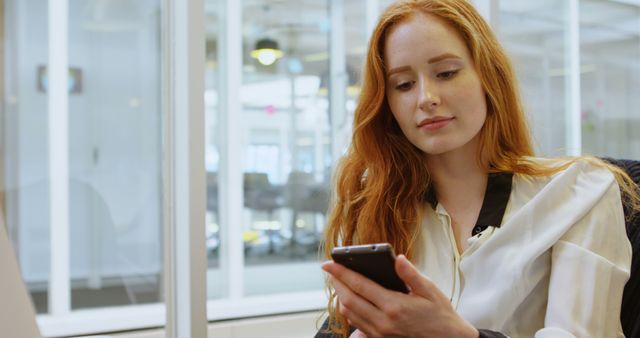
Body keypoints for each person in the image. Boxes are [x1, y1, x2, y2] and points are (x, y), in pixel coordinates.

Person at [316, 0, 637, 337]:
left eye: (446, 73)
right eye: (404, 84)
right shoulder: (381, 204)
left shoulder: (581, 193)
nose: (426, 97)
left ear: (488, 76)